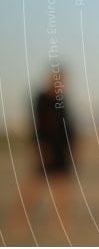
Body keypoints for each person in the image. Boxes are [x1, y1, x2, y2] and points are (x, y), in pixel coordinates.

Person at [6, 68, 77, 237]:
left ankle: (59, 224)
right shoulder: (42, 99)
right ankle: (18, 221)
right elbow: (37, 126)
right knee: (33, 187)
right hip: (46, 149)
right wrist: (39, 147)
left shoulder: (62, 100)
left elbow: (68, 127)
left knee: (62, 190)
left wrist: (72, 148)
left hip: (61, 151)